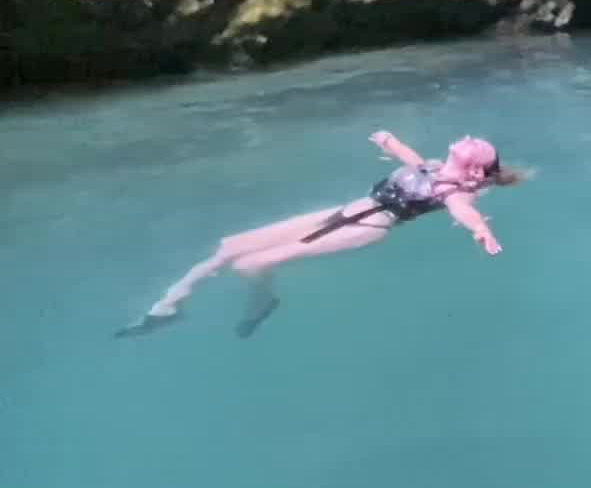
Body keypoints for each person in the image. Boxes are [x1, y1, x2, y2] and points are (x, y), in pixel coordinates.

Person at [117, 132, 523, 339]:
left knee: (252, 264)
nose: (470, 139)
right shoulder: (433, 167)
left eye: (477, 146)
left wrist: (482, 232)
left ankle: (264, 301)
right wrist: (390, 141)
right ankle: (169, 307)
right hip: (346, 210)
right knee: (229, 247)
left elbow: (464, 212)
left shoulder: (453, 193)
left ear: (473, 171)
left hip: (368, 228)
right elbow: (413, 162)